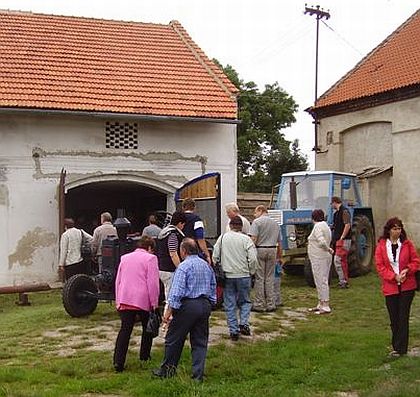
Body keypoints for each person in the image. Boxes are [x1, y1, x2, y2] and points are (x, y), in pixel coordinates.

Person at [153, 238, 216, 381]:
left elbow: (177, 292)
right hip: (204, 304)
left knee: (174, 338)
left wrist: (168, 312)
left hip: (188, 305)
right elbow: (213, 285)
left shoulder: (183, 267)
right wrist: (211, 303)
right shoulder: (206, 266)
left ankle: (167, 370)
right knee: (200, 341)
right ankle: (197, 375)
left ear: (183, 251)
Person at [113, 236, 160, 372]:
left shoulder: (125, 258)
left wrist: (118, 299)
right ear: (150, 248)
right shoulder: (151, 259)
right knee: (148, 328)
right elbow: (152, 284)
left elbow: (118, 280)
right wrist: (154, 303)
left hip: (125, 297)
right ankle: (144, 356)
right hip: (142, 299)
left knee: (125, 330)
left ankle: (118, 361)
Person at [375, 217, 419, 357]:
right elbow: (380, 266)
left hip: (407, 286)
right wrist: (393, 277)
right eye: (394, 229)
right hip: (391, 287)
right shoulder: (381, 246)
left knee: (403, 317)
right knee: (394, 318)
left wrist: (407, 270)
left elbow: (416, 261)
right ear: (388, 230)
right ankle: (396, 346)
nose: (397, 231)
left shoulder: (407, 244)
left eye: (399, 228)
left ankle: (401, 349)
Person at [212, 216, 257, 340]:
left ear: (230, 226)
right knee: (245, 301)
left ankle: (233, 330)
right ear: (241, 227)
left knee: (229, 303)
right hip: (243, 274)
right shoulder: (246, 239)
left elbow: (215, 256)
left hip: (227, 275)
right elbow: (253, 258)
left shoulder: (222, 238)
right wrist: (251, 271)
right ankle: (244, 323)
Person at [249, 205, 281, 312]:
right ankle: (271, 303)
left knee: (259, 277)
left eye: (255, 212)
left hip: (260, 249)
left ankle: (259, 303)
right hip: (273, 249)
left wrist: (249, 253)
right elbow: (279, 242)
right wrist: (279, 256)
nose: (254, 214)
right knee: (270, 278)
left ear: (260, 211)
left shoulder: (257, 222)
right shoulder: (275, 223)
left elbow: (253, 239)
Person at [307, 209, 334, 314]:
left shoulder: (318, 226)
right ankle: (321, 302)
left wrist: (328, 249)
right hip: (321, 257)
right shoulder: (325, 225)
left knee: (321, 280)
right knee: (320, 280)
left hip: (319, 257)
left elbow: (321, 241)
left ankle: (325, 305)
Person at [155, 211, 186, 302]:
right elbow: (173, 253)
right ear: (180, 223)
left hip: (161, 267)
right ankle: (168, 314)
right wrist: (180, 268)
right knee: (170, 294)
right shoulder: (173, 234)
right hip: (169, 269)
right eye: (183, 224)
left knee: (167, 291)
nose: (183, 227)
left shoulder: (163, 232)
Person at [182, 198, 211, 264]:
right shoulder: (197, 220)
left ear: (183, 207)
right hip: (193, 251)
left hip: (181, 251)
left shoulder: (178, 219)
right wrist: (207, 254)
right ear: (194, 207)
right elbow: (200, 238)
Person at [331, 196, 351, 288]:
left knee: (338, 260)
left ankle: (343, 281)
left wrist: (342, 237)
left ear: (335, 202)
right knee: (342, 261)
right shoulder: (336, 214)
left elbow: (347, 225)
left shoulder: (344, 212)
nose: (331, 206)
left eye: (331, 204)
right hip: (339, 240)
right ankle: (344, 280)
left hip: (343, 240)